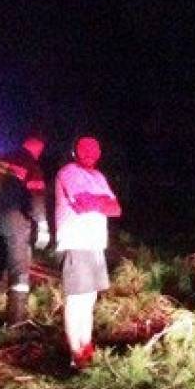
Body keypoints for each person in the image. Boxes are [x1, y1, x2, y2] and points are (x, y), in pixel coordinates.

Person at [55, 136, 121, 369]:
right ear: (74, 151)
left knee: (89, 299)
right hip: (76, 242)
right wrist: (100, 201)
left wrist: (98, 201)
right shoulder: (69, 172)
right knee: (77, 299)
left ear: (100, 152)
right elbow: (82, 204)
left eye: (94, 148)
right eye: (84, 149)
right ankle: (76, 355)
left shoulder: (99, 177)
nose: (89, 152)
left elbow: (116, 208)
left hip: (95, 244)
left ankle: (86, 347)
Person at [0, 133, 49, 324]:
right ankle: (16, 321)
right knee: (19, 269)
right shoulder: (32, 166)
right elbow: (36, 198)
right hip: (16, 222)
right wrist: (43, 225)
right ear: (37, 149)